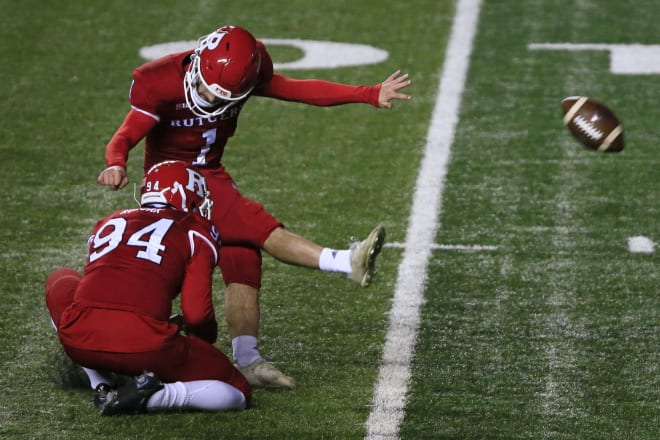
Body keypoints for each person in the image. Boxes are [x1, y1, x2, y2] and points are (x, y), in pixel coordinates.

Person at [96, 25, 412, 388]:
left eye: (221, 96)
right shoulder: (158, 80)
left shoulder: (252, 69)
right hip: (175, 183)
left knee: (243, 256)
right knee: (255, 226)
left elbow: (297, 90)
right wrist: (116, 161)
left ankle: (246, 359)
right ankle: (345, 262)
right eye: (205, 89)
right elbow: (127, 133)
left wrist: (368, 94)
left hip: (210, 174)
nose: (209, 99)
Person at [45, 160, 251, 415]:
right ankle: (152, 396)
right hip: (145, 346)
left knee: (61, 279)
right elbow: (197, 314)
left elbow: (113, 287)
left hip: (79, 339)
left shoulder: (109, 222)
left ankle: (100, 382)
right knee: (238, 390)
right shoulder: (195, 230)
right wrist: (201, 342)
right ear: (187, 196)